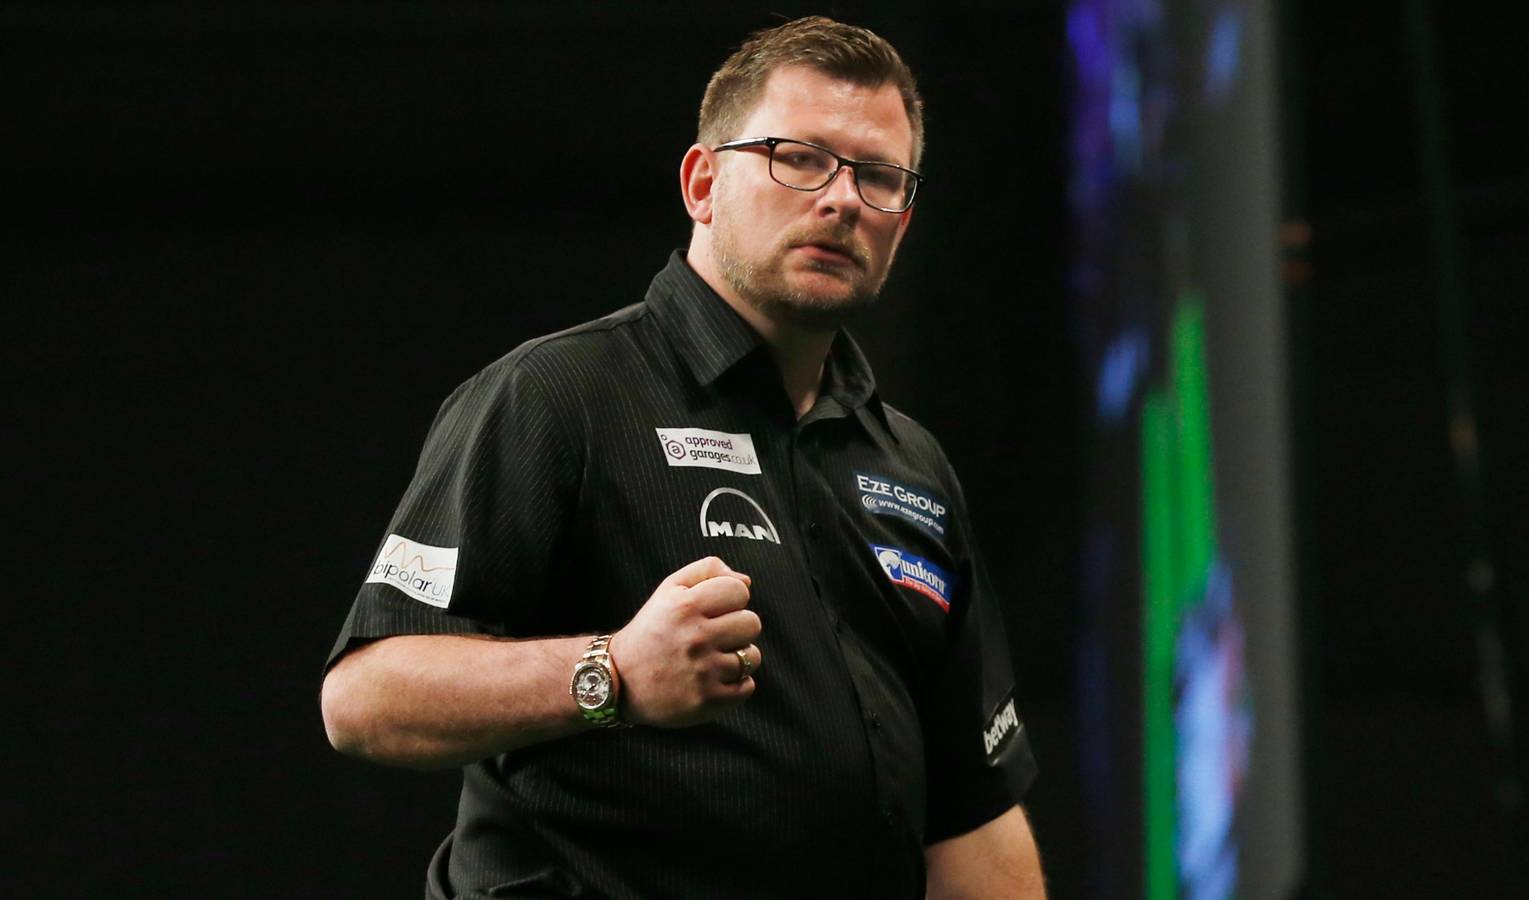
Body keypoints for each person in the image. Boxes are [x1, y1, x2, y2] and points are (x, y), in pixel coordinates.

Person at [320, 15, 1044, 900]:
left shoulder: (912, 467)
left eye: (878, 176)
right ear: (703, 184)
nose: (843, 199)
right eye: (799, 158)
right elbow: (366, 697)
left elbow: (973, 812)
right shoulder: (558, 395)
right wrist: (614, 672)